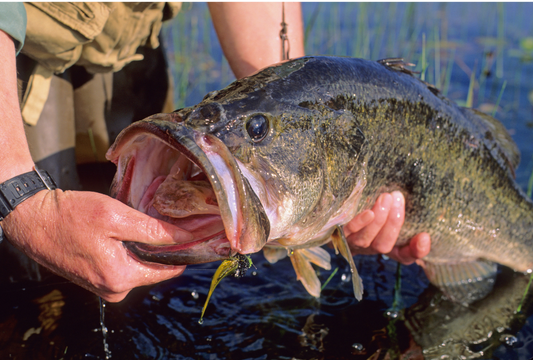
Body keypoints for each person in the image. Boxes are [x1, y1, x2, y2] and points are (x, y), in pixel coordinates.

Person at [0, 0, 430, 303]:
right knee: (27, 267)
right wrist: (18, 193)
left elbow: (285, 97)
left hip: (118, 35)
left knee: (129, 272)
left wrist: (315, 207)